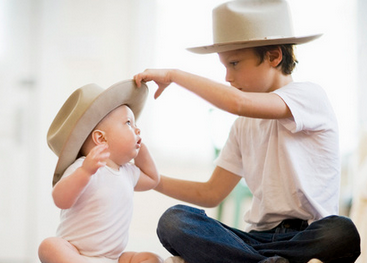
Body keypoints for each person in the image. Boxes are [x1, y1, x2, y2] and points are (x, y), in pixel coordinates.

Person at [133, 0, 361, 262]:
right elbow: (211, 193)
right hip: (256, 236)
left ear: (274, 56)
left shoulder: (309, 96)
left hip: (308, 234)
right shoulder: (243, 124)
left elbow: (236, 102)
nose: (228, 77)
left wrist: (174, 75)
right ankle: (265, 260)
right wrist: (155, 181)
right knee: (174, 220)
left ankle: (250, 259)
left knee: (342, 232)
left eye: (234, 63)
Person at [38, 80, 163, 263]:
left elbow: (153, 179)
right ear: (101, 139)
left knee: (152, 259)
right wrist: (85, 173)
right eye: (128, 123)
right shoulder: (85, 167)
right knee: (49, 247)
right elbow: (60, 199)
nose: (136, 128)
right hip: (77, 254)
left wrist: (139, 143)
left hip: (113, 257)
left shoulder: (127, 172)